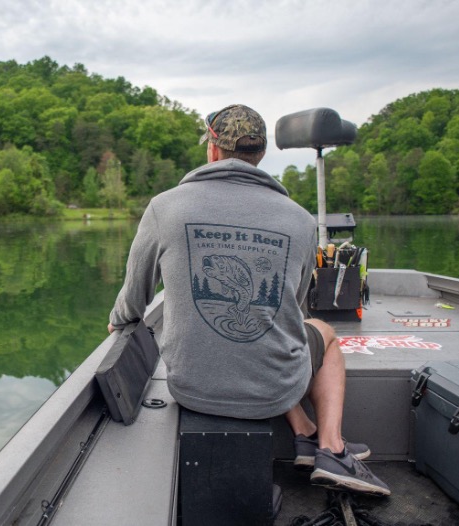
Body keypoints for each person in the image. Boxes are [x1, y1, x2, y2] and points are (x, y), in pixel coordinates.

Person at [107, 104, 390, 496]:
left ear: (213, 150)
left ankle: (312, 438)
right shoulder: (301, 220)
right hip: (272, 392)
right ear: (259, 156)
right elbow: (294, 311)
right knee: (321, 331)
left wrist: (120, 320)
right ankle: (329, 446)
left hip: (190, 386)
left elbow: (134, 299)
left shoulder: (165, 207)